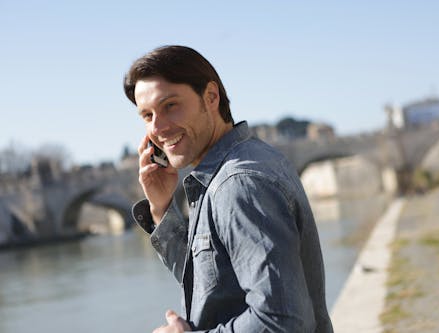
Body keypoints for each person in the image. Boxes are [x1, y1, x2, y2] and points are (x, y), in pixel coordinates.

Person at [123, 45, 334, 333]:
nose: (158, 127)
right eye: (147, 116)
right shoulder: (243, 163)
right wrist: (161, 209)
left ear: (210, 97)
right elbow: (215, 284)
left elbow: (282, 322)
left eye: (170, 105)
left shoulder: (238, 184)